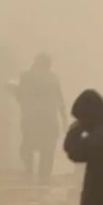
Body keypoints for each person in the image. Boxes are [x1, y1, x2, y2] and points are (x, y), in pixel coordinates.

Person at [14, 53, 67, 184]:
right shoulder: (52, 79)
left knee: (29, 148)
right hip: (47, 121)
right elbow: (60, 101)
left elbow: (20, 96)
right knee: (46, 152)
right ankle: (43, 180)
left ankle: (30, 174)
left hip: (32, 120)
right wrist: (64, 119)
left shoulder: (26, 77)